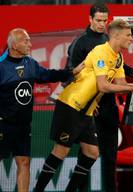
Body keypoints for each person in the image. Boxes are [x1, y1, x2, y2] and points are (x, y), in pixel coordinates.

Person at [34, 19, 133, 192]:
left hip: (86, 112)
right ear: (116, 35)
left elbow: (121, 84)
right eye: (128, 35)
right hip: (71, 106)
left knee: (92, 152)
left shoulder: (119, 58)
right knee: (60, 152)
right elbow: (103, 86)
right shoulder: (100, 52)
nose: (131, 39)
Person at [64, 3, 133, 192]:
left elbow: (118, 67)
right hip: (89, 109)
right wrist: (88, 100)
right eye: (98, 20)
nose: (101, 24)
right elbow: (71, 74)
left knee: (110, 157)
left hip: (108, 107)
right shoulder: (80, 43)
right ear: (90, 19)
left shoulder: (111, 41)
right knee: (86, 158)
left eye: (104, 20)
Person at [0, 28, 83, 192]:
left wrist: (71, 72)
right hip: (3, 125)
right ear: (14, 45)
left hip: (23, 126)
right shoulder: (1, 67)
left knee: (24, 162)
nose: (29, 44)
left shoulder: (30, 63)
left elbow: (48, 75)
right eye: (26, 41)